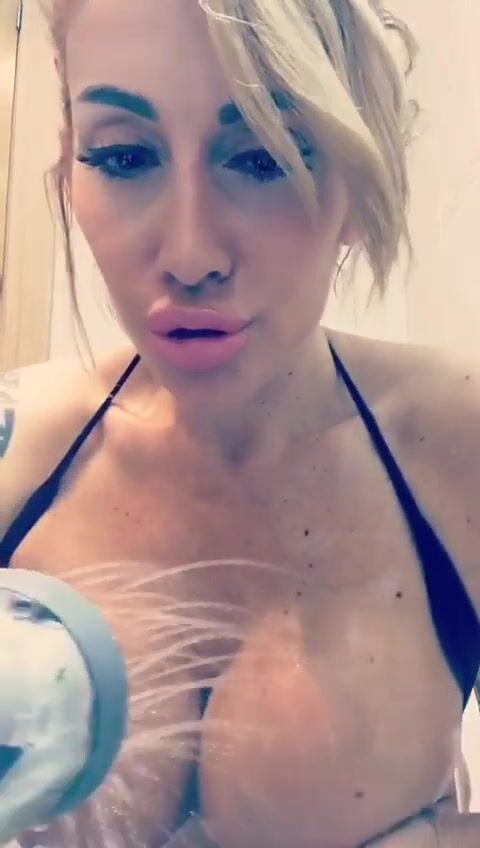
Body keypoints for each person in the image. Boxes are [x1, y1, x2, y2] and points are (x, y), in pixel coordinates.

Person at [1, 0, 479, 846]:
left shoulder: (454, 443)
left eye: (262, 157)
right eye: (124, 156)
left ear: (357, 176)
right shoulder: (17, 449)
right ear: (70, 166)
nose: (190, 256)